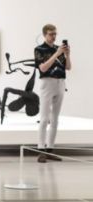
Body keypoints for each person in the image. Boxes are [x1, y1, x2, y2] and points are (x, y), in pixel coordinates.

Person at [34, 24, 72, 163]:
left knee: (55, 119)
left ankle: (50, 149)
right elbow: (43, 68)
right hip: (47, 83)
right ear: (44, 35)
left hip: (60, 83)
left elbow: (68, 67)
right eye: (51, 34)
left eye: (55, 34)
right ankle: (40, 150)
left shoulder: (59, 49)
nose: (54, 36)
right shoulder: (39, 49)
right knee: (44, 118)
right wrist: (56, 54)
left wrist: (67, 55)